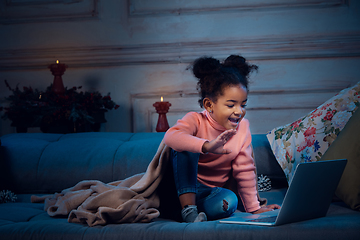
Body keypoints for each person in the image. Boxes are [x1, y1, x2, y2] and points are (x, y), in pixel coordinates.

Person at [163, 55, 280, 223]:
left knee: (229, 201)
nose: (239, 111)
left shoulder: (243, 128)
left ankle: (186, 214)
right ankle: (187, 210)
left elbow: (245, 168)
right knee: (184, 146)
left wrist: (255, 208)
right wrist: (207, 146)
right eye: (231, 105)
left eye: (243, 104)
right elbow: (170, 137)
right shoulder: (195, 120)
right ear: (209, 105)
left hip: (212, 193)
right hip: (183, 189)